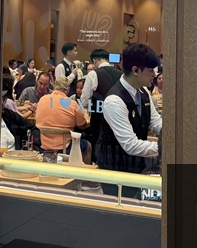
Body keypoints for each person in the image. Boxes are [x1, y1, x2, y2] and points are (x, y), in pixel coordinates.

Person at [98, 43, 162, 186]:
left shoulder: (143, 92)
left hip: (137, 166)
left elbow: (156, 123)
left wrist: (176, 136)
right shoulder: (114, 101)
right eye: (151, 70)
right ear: (135, 70)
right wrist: (164, 148)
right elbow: (130, 145)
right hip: (115, 170)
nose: (154, 74)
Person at [37, 76, 92, 161]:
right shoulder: (72, 104)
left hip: (42, 145)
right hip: (64, 147)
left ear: (54, 86)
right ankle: (84, 169)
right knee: (88, 146)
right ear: (68, 89)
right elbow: (82, 125)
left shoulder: (42, 100)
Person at [79, 49, 122, 153]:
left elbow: (84, 99)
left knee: (98, 148)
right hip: (118, 117)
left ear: (94, 61)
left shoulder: (93, 74)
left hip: (99, 119)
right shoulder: (121, 74)